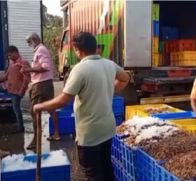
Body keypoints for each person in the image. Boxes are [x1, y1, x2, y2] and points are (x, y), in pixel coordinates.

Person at [33, 32, 130, 181]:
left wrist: (40, 106)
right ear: (94, 47)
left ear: (78, 50)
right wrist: (109, 89)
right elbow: (125, 78)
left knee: (93, 174)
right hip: (107, 129)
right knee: (106, 168)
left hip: (90, 134)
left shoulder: (80, 69)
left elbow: (63, 101)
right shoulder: (109, 64)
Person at [21, 33, 61, 149]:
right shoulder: (41, 50)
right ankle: (56, 134)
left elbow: (45, 67)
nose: (29, 44)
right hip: (45, 84)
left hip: (41, 85)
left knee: (35, 111)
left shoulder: (41, 50)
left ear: (34, 40)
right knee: (51, 109)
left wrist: (29, 69)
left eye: (29, 42)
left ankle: (36, 141)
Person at [0, 46, 31, 133]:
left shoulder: (22, 63)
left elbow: (26, 78)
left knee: (16, 109)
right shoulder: (12, 64)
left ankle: (20, 128)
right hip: (12, 90)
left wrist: (22, 90)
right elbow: (6, 77)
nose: (9, 57)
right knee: (15, 109)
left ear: (15, 52)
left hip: (17, 91)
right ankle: (20, 126)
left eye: (10, 55)